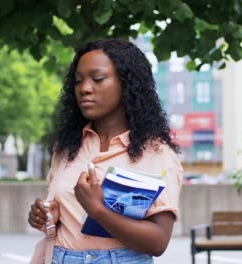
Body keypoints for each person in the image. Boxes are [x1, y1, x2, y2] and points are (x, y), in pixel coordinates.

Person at [28, 39, 183, 264]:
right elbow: (58, 213)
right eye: (78, 81)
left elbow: (158, 242)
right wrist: (44, 215)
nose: (84, 88)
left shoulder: (156, 153)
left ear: (126, 83)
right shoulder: (67, 148)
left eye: (98, 79)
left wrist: (98, 211)